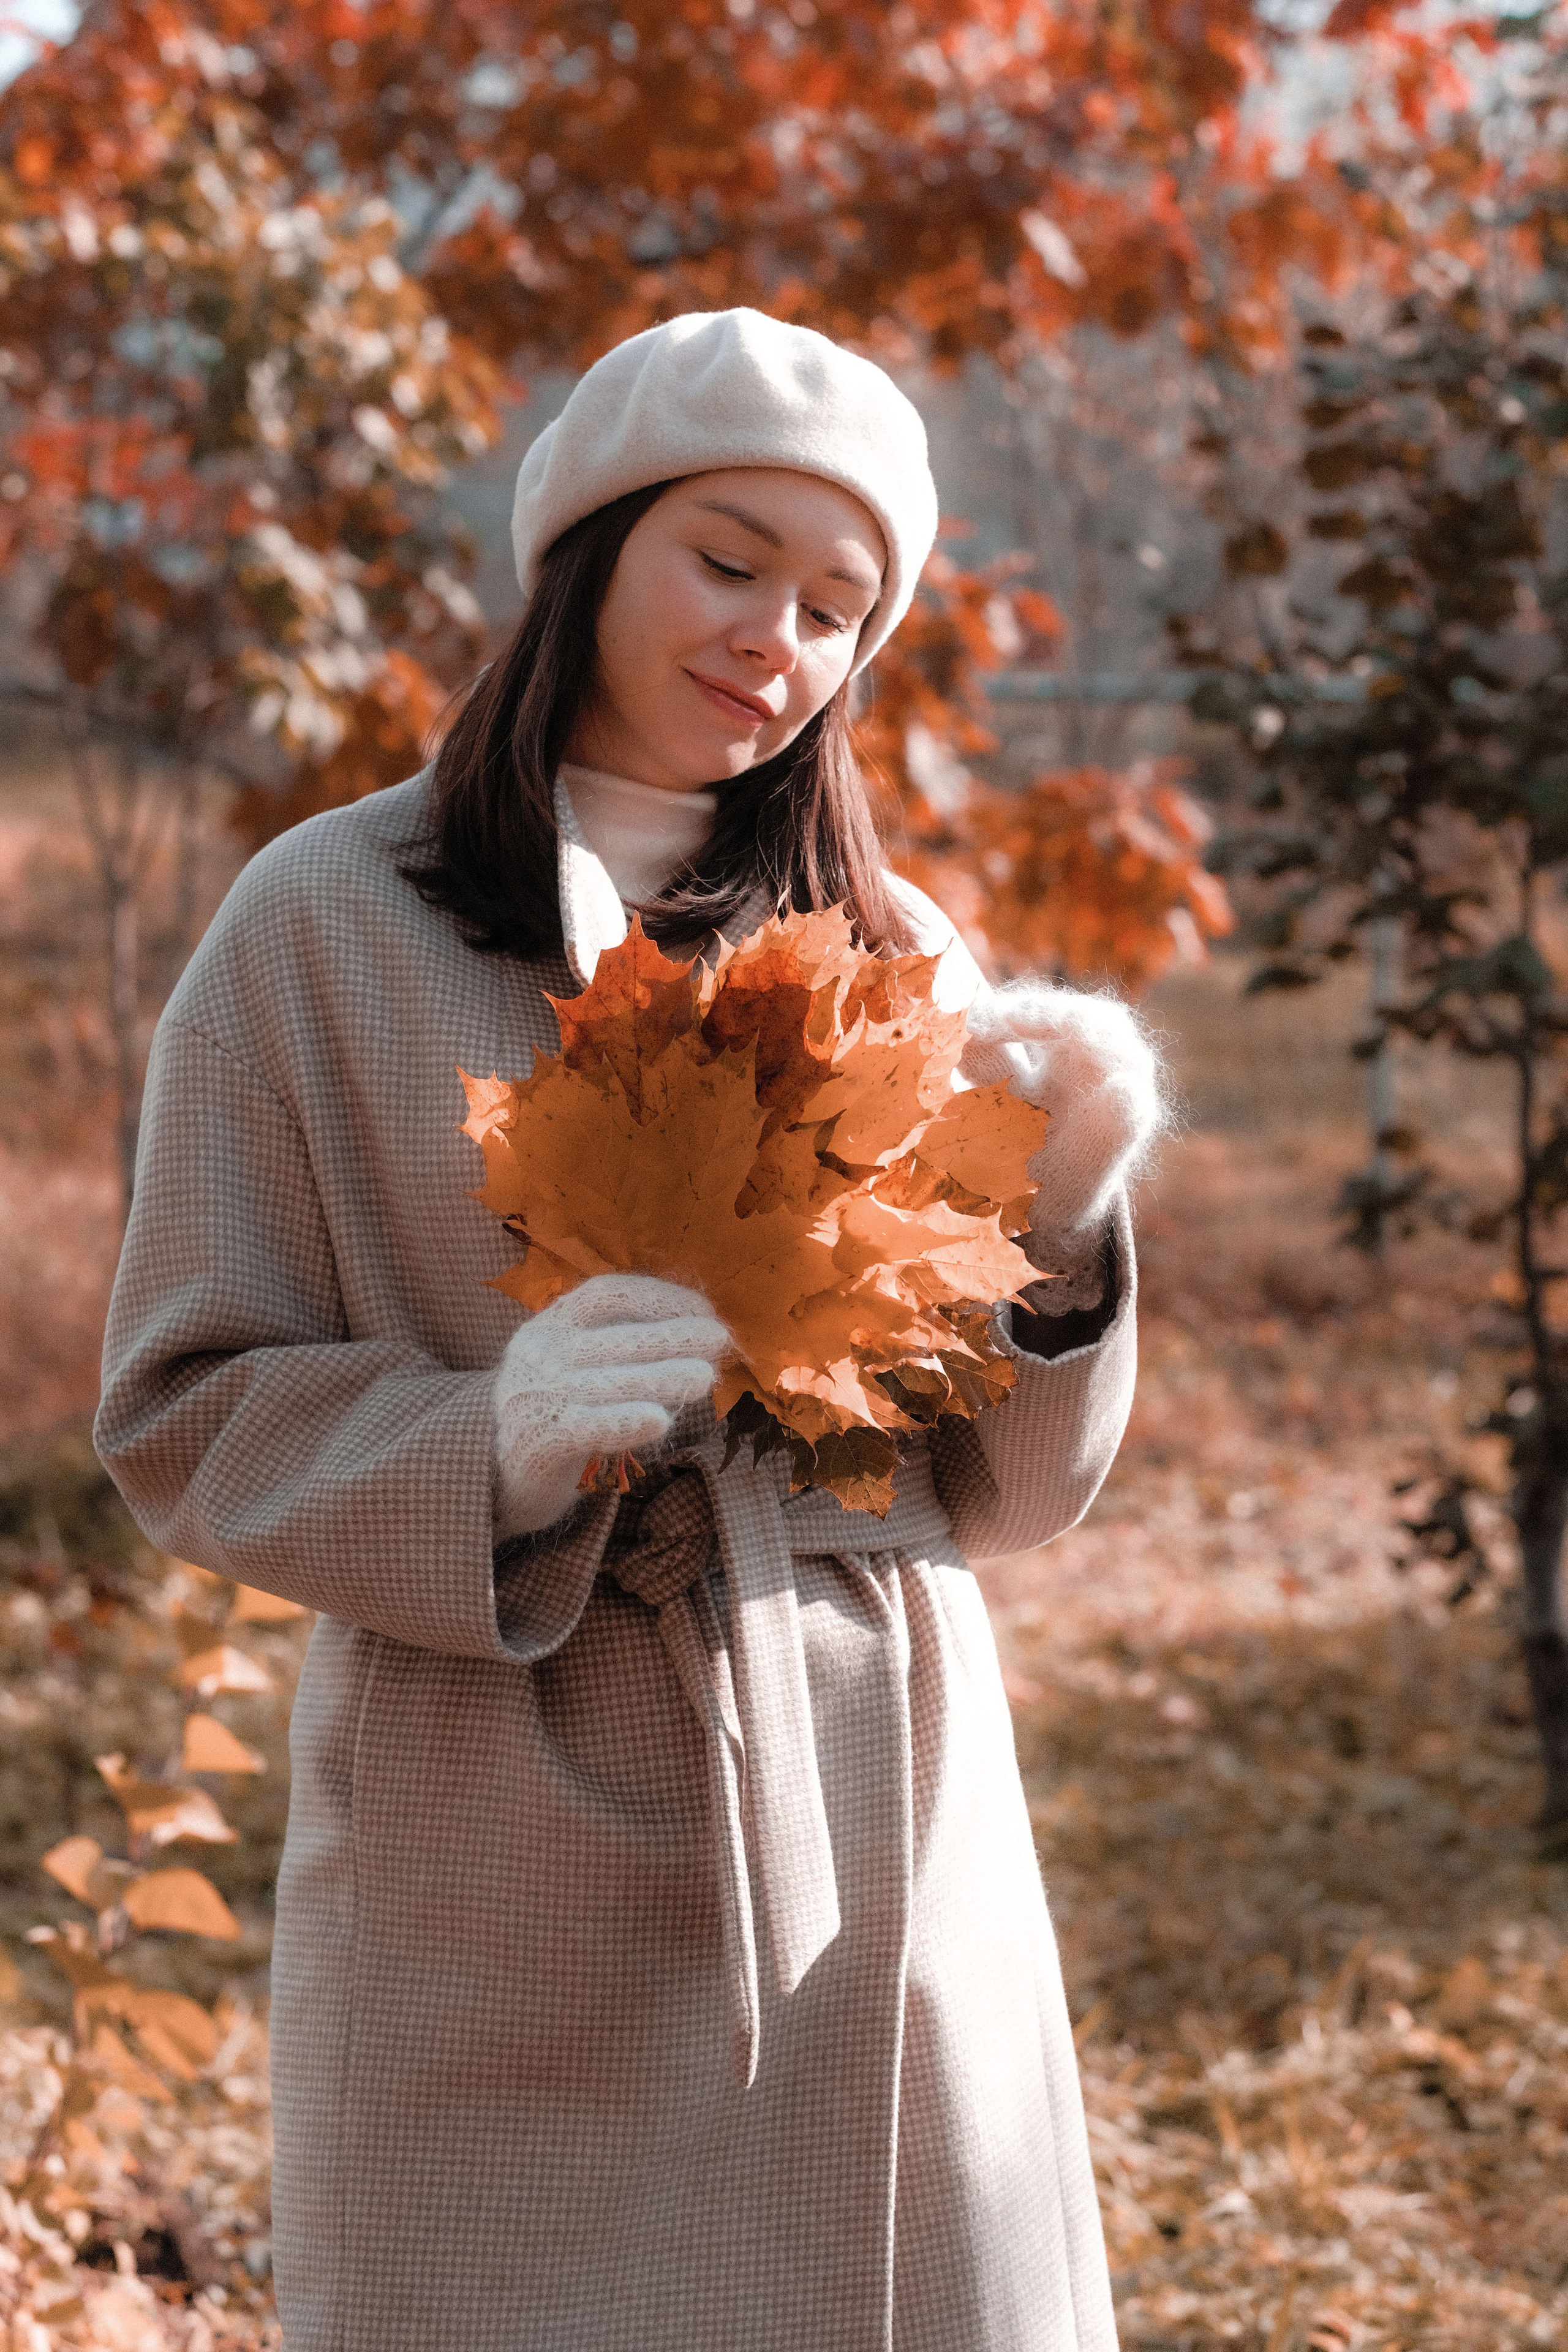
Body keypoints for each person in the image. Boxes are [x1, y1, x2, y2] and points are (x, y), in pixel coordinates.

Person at [96, 308, 1160, 2352]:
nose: (780, 634)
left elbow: (1003, 1499)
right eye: (729, 558)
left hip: (865, 1771)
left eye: (841, 605)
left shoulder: (893, 952)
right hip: (493, 1796)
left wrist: (1065, 1241)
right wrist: (479, 1445)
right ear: (590, 549)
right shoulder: (323, 924)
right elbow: (179, 1404)